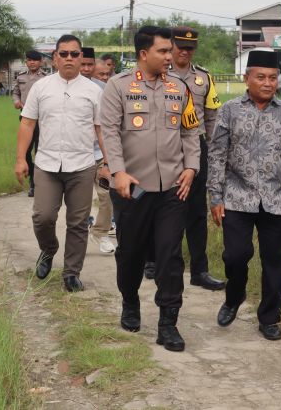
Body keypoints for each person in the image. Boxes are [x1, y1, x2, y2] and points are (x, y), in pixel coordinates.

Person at [99, 25, 201, 352]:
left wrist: (191, 167)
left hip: (172, 187)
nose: (171, 57)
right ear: (144, 54)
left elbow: (189, 132)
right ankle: (130, 300)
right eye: (164, 51)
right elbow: (110, 133)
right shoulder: (118, 87)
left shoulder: (179, 88)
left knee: (170, 255)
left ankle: (168, 322)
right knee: (130, 254)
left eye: (171, 51)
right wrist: (118, 172)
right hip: (133, 188)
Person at [208, 50, 281, 341]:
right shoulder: (230, 110)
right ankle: (234, 296)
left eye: (272, 78)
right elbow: (217, 156)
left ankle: (269, 318)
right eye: (261, 77)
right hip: (236, 196)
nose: (268, 83)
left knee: (275, 262)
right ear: (247, 79)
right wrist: (214, 198)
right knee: (235, 255)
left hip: (277, 199)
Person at [14, 35, 108, 292]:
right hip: (47, 164)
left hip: (82, 165)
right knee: (42, 216)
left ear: (81, 59)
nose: (69, 58)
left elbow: (102, 129)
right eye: (63, 54)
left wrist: (108, 162)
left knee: (77, 223)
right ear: (55, 58)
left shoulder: (94, 91)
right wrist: (21, 158)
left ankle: (71, 272)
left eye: (74, 54)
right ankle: (48, 249)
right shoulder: (41, 88)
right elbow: (27, 123)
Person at [143, 26, 225, 291]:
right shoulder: (157, 75)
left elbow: (212, 116)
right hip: (163, 147)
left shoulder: (204, 78)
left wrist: (211, 151)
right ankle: (153, 261)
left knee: (195, 211)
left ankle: (199, 270)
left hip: (196, 148)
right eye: (180, 47)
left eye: (191, 48)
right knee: (157, 205)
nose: (185, 52)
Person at [82, 50, 115, 254]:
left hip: (100, 153)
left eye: (89, 64)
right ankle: (80, 229)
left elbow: (110, 122)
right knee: (80, 200)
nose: (86, 69)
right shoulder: (60, 87)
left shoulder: (103, 89)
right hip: (77, 156)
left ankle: (100, 233)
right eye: (82, 64)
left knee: (107, 194)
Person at [12, 50, 48, 197]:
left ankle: (39, 185)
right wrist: (16, 101)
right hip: (26, 118)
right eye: (29, 60)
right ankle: (32, 181)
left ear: (40, 62)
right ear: (26, 62)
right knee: (25, 151)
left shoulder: (47, 78)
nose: (32, 62)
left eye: (35, 60)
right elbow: (15, 92)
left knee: (40, 151)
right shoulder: (21, 77)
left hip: (42, 119)